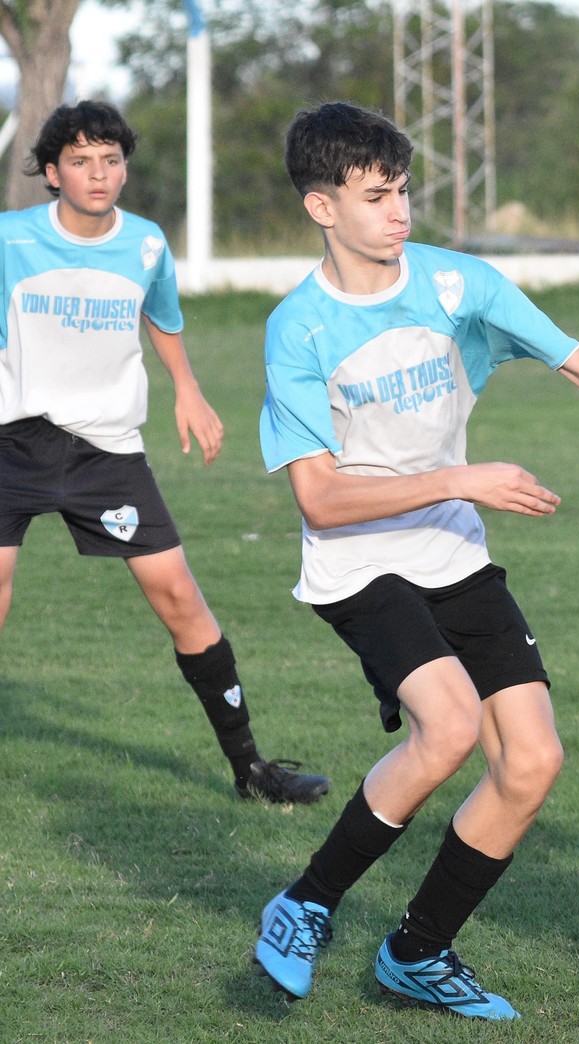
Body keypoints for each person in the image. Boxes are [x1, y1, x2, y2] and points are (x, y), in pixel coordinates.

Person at [251, 101, 579, 1021]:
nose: (399, 212)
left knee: (533, 761)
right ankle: (305, 902)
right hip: (357, 561)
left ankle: (418, 953)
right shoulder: (297, 329)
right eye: (376, 196)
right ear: (321, 208)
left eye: (404, 191)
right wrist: (463, 476)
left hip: (452, 554)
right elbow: (321, 497)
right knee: (450, 726)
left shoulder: (464, 286)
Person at [0, 100, 329, 806]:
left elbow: (164, 319)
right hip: (12, 441)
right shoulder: (10, 239)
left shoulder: (146, 244)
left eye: (112, 160)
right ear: (52, 173)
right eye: (81, 161)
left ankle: (251, 770)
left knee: (180, 598)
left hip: (106, 451)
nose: (99, 174)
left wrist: (188, 389)